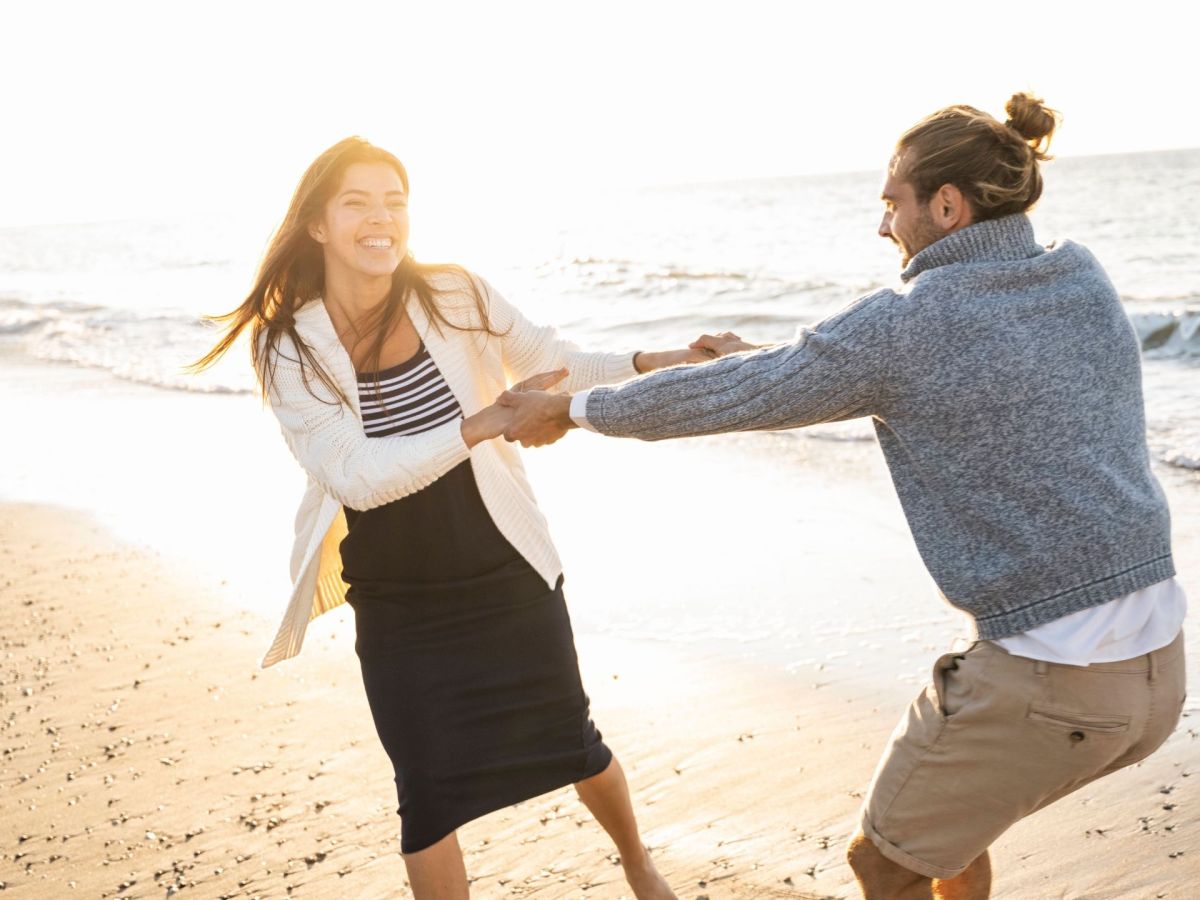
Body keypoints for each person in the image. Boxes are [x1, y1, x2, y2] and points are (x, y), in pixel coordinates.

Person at [497, 94, 1188, 899]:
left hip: (1053, 678)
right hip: (1161, 672)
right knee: (952, 832)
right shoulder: (1079, 274)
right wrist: (778, 361)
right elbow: (920, 370)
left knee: (882, 861)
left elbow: (756, 393)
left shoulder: (905, 324)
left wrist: (570, 408)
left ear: (947, 205)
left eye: (891, 202)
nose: (883, 224)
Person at [191, 136, 709, 899]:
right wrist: (478, 424)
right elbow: (355, 478)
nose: (382, 219)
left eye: (395, 202)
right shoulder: (289, 345)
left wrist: (657, 361)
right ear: (318, 225)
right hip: (401, 601)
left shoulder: (453, 292)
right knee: (426, 795)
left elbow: (555, 358)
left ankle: (638, 862)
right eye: (358, 203)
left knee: (575, 742)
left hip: (504, 567)